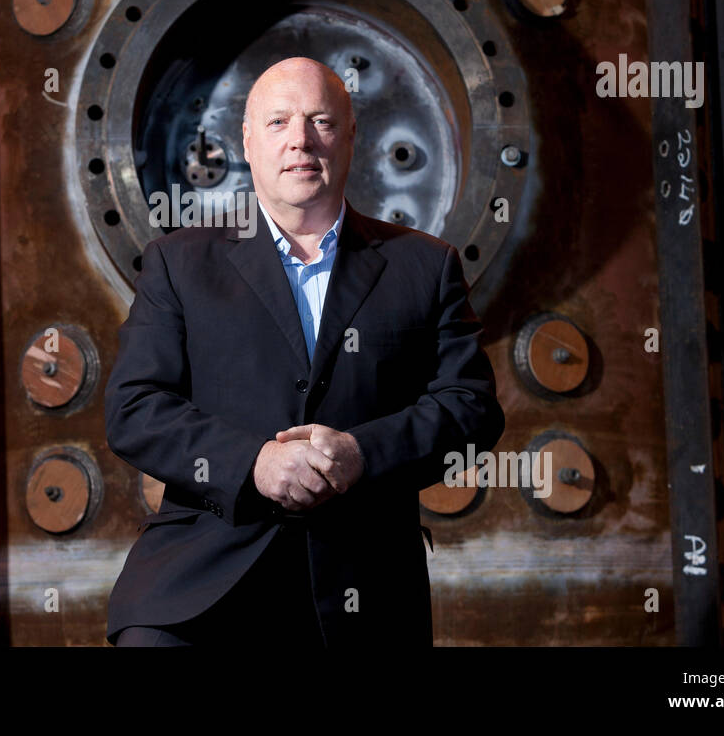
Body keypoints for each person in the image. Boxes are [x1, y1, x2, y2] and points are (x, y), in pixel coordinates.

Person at [104, 56, 504, 646]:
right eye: (278, 122)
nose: (300, 141)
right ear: (246, 139)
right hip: (202, 584)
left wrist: (362, 453)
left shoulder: (425, 265)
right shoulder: (178, 262)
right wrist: (253, 464)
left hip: (364, 586)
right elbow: (133, 407)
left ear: (349, 136)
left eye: (321, 121)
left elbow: (471, 408)